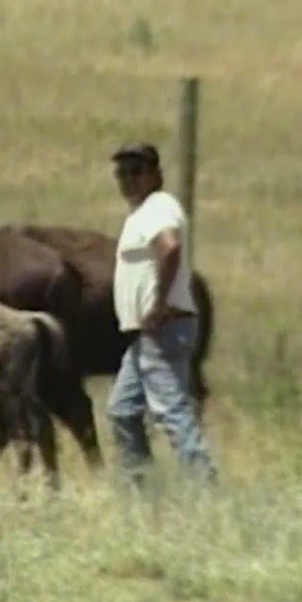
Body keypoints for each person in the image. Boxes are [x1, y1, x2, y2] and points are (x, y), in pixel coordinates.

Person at [107, 142, 218, 487]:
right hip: (147, 334)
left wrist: (157, 304)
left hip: (163, 328)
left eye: (135, 171)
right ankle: (142, 487)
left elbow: (170, 248)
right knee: (122, 410)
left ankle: (205, 488)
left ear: (155, 175)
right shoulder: (141, 213)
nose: (128, 180)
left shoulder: (159, 206)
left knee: (171, 410)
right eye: (121, 173)